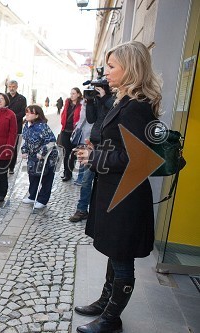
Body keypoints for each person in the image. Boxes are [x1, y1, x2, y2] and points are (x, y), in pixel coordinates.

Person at [73, 41, 162, 333]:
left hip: (126, 194)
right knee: (115, 250)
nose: (106, 72)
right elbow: (119, 142)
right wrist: (96, 147)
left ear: (130, 68)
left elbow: (139, 157)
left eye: (112, 66)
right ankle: (105, 301)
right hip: (114, 188)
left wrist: (94, 156)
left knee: (122, 257)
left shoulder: (137, 107)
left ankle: (111, 320)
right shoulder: (124, 101)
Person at [69, 87, 115, 222]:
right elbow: (91, 119)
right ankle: (82, 209)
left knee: (104, 181)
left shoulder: (114, 98)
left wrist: (105, 98)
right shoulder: (97, 100)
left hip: (108, 145)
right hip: (93, 144)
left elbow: (112, 111)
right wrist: (89, 102)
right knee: (86, 179)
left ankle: (102, 212)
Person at [21, 105, 57, 209]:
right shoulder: (26, 126)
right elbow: (26, 141)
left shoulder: (42, 126)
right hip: (33, 157)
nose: (27, 114)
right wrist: (24, 150)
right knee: (33, 175)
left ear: (37, 115)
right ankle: (32, 196)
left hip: (47, 158)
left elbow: (51, 141)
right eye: (26, 112)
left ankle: (42, 200)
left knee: (46, 178)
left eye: (30, 112)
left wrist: (42, 152)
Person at [59, 87, 83, 181]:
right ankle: (66, 173)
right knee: (66, 153)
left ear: (78, 94)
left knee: (73, 153)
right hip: (65, 131)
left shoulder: (81, 104)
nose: (72, 95)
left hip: (75, 132)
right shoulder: (67, 103)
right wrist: (62, 123)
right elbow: (63, 114)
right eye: (71, 93)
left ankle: (70, 171)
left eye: (73, 93)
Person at [6, 80, 27, 174]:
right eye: (10, 86)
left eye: (13, 86)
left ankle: (11, 167)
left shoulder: (22, 98)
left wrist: (13, 117)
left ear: (17, 87)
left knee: (14, 147)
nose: (11, 88)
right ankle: (4, 164)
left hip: (16, 125)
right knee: (4, 145)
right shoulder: (5, 97)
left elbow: (24, 112)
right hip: (5, 125)